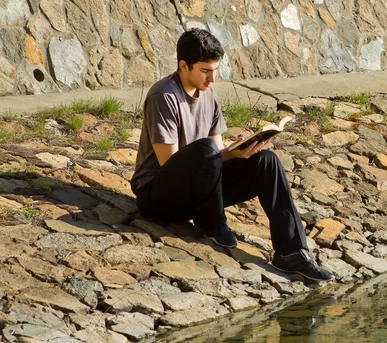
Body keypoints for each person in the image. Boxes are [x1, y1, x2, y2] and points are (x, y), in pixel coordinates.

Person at [130, 28, 334, 283]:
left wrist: (239, 151)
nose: (212, 79)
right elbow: (169, 163)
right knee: (206, 149)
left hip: (200, 192)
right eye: (205, 71)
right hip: (159, 198)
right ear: (183, 65)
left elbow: (217, 152)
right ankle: (213, 223)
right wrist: (219, 153)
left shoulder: (208, 94)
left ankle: (292, 252)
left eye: (215, 70)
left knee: (266, 161)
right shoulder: (164, 95)